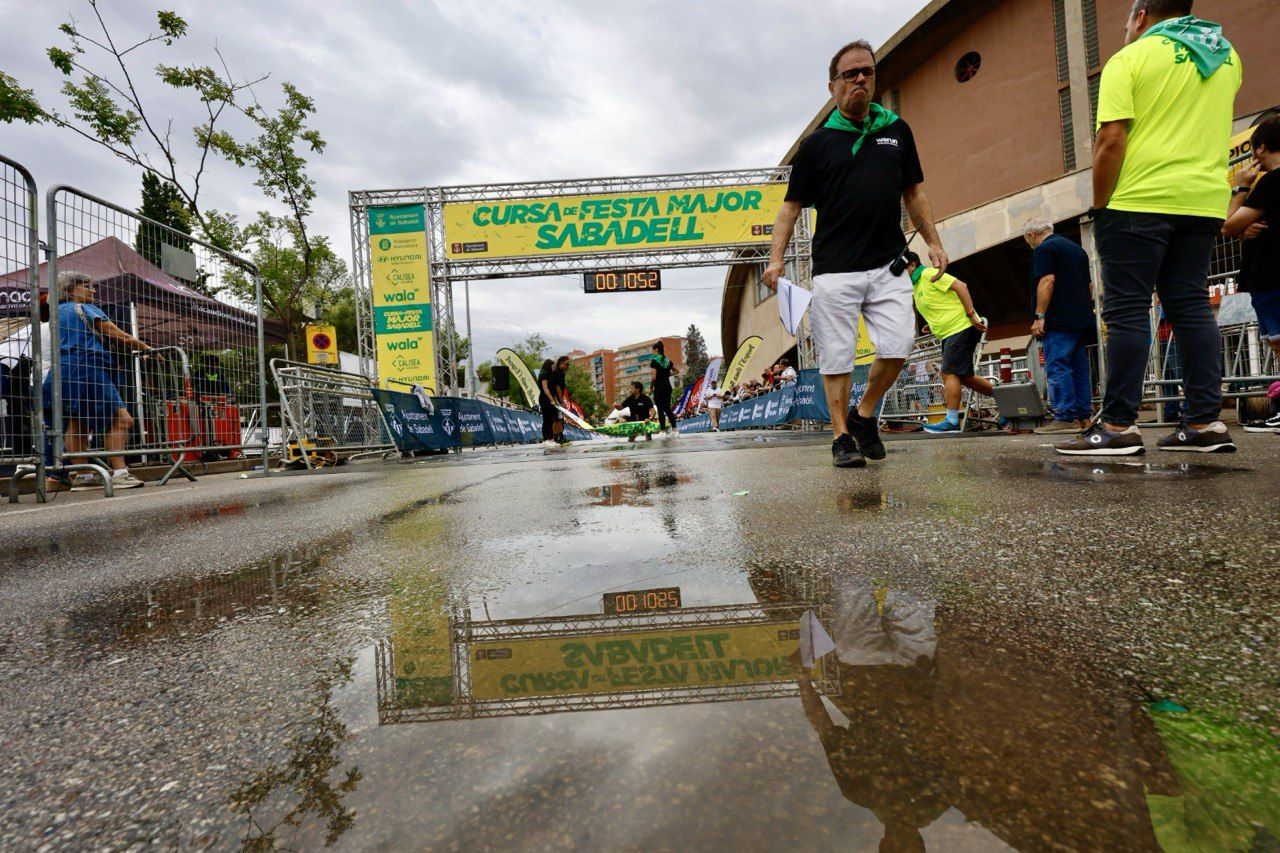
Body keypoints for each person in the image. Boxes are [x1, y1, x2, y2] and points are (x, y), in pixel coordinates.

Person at [1057, 1, 1241, 456]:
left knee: (1126, 310)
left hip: (1138, 199)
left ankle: (1118, 425)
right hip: (1202, 200)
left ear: (1141, 15)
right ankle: (1203, 421)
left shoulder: (1132, 57)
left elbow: (1111, 140)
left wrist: (1100, 206)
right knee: (1192, 306)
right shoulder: (1226, 57)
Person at [764, 38, 947, 468]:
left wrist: (935, 242)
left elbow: (914, 193)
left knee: (900, 345)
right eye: (850, 74)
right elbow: (790, 208)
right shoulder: (818, 144)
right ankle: (842, 437)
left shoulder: (897, 131)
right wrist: (775, 259)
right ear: (833, 87)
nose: (860, 78)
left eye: (867, 71)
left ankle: (864, 416)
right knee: (837, 354)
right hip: (835, 269)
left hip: (889, 264)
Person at [45, 271, 153, 489]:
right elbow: (117, 334)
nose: (93, 290)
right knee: (122, 419)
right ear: (70, 289)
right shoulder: (84, 308)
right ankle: (120, 473)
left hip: (61, 371)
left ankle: (84, 476)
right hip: (88, 368)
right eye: (87, 286)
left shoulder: (57, 312)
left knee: (77, 424)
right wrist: (148, 348)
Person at [1222, 116, 1280, 433]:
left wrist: (1242, 185)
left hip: (1271, 274)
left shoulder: (1270, 181)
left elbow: (1229, 223)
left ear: (1260, 147)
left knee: (1278, 342)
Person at [904, 252, 994, 434]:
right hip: (949, 331)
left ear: (912, 265)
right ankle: (1010, 399)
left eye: (901, 270)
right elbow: (941, 303)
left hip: (960, 327)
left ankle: (952, 420)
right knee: (964, 377)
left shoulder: (928, 274)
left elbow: (961, 286)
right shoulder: (916, 285)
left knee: (948, 372)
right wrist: (933, 324)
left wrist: (971, 314)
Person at [1021, 219, 1097, 434]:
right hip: (1080, 319)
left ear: (1032, 236)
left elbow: (1047, 281)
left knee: (1058, 366)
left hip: (1058, 319)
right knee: (1079, 369)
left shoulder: (1044, 249)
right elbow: (1089, 285)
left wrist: (1040, 315)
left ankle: (1065, 417)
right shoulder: (1077, 250)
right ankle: (1083, 417)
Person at [648, 341, 676, 436]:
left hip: (659, 387)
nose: (653, 353)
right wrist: (667, 375)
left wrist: (651, 387)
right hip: (668, 387)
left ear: (656, 350)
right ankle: (675, 430)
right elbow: (676, 371)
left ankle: (663, 431)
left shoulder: (655, 361)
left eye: (653, 351)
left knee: (660, 408)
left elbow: (653, 378)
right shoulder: (667, 361)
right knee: (668, 409)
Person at [537, 358, 561, 448]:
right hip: (545, 399)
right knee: (547, 419)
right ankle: (547, 439)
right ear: (548, 366)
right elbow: (545, 388)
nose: (554, 368)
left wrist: (556, 400)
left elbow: (552, 389)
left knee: (552, 419)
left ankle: (551, 438)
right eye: (553, 366)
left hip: (551, 399)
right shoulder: (544, 374)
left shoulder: (550, 375)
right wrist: (551, 399)